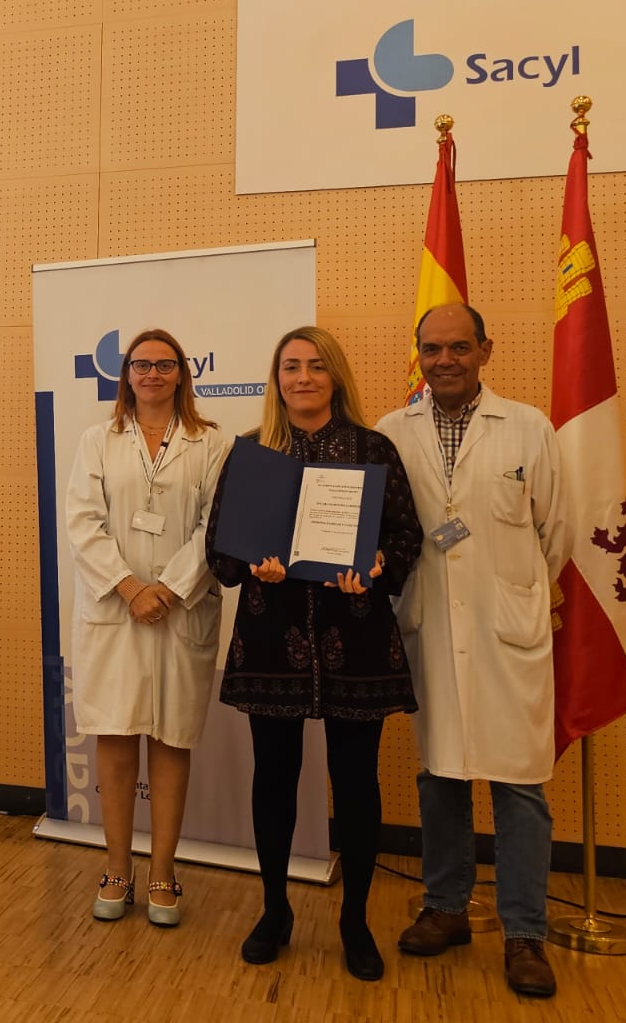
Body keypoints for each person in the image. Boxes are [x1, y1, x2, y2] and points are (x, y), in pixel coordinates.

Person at [204, 326, 421, 981]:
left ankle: (355, 921)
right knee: (274, 778)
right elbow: (220, 554)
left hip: (356, 639)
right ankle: (275, 910)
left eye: (316, 366)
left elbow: (406, 538)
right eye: (291, 366)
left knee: (356, 782)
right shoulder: (250, 453)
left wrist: (376, 567)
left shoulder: (373, 449)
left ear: (335, 376)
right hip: (272, 640)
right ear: (276, 379)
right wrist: (253, 562)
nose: (302, 377)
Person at [376, 303, 569, 998]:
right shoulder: (391, 432)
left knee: (519, 784)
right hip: (432, 625)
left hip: (505, 629)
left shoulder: (528, 426)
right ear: (418, 356)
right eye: (432, 349)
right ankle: (447, 908)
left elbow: (556, 531)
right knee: (441, 774)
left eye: (459, 347)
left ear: (486, 350)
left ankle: (524, 934)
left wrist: (514, 593)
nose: (445, 360)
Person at [66, 328, 232, 926]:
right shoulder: (98, 440)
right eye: (142, 365)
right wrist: (131, 588)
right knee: (114, 737)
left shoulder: (213, 442)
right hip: (116, 611)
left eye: (165, 365)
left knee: (170, 740)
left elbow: (217, 525)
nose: (153, 374)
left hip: (180, 609)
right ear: (127, 375)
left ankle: (163, 872)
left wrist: (170, 587)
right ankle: (117, 869)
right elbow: (82, 522)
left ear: (182, 372)